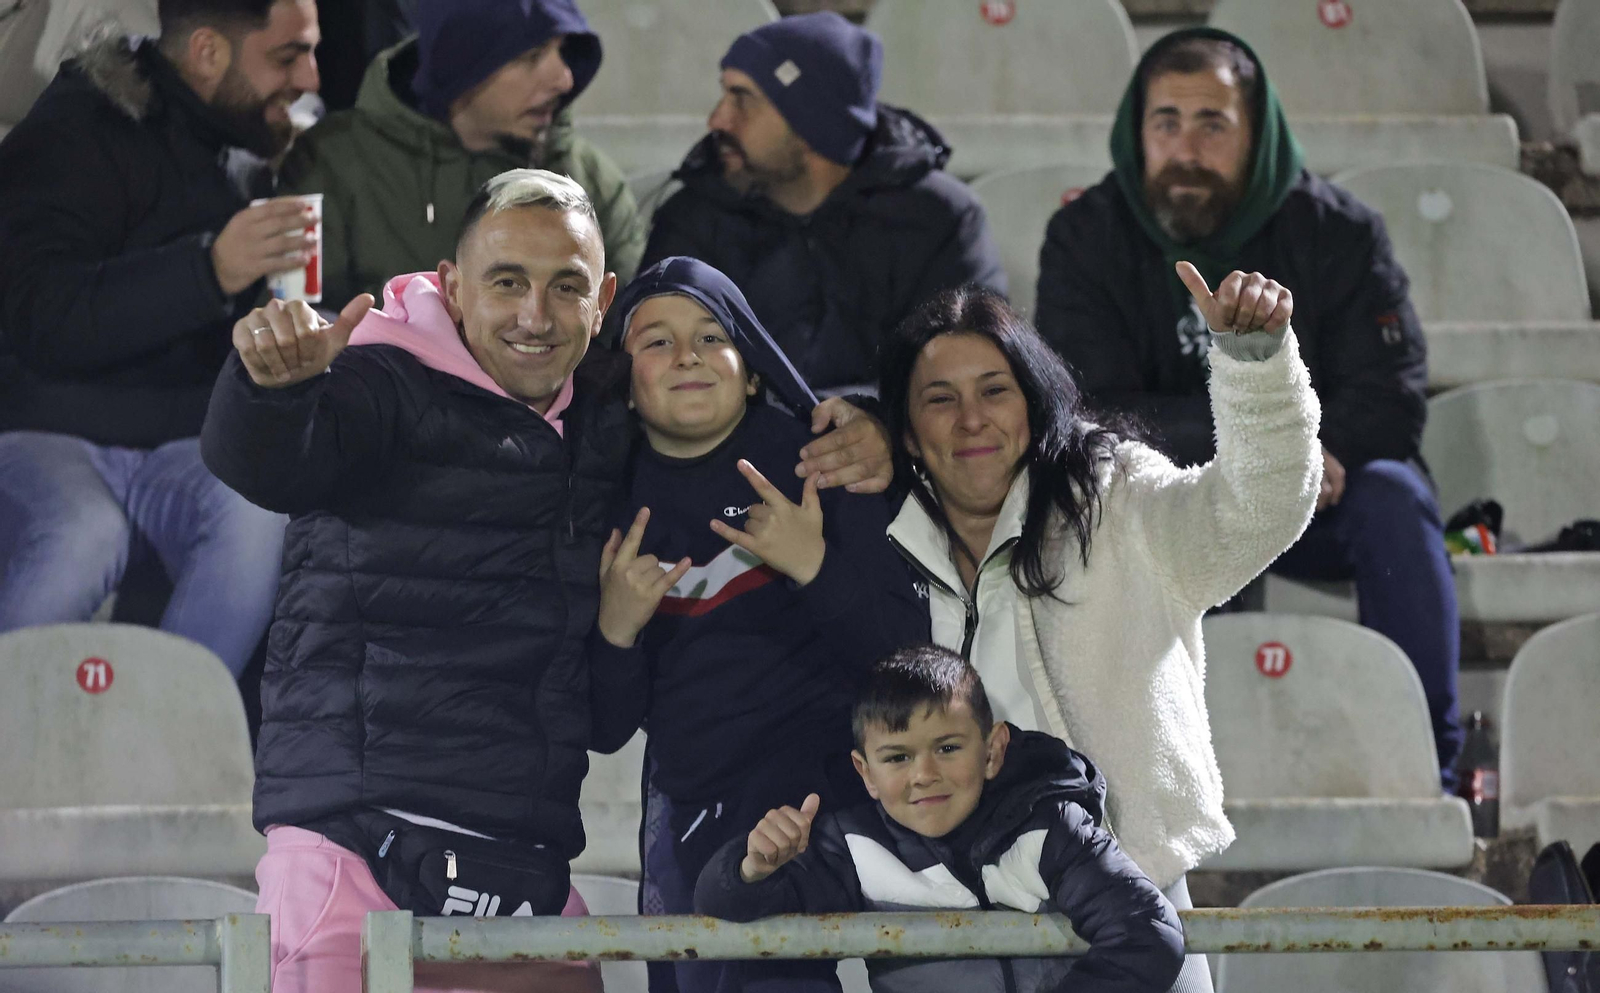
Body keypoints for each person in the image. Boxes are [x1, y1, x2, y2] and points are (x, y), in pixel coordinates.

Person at [200, 169, 894, 993]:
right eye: (506, 283)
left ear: (600, 299)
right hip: (354, 846)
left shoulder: (605, 420)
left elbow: (718, 399)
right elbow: (272, 463)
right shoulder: (376, 379)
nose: (535, 315)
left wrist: (874, 424)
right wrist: (272, 390)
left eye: (564, 286)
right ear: (454, 289)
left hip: (521, 855)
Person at [1033, 27, 1462, 782]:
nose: (1186, 149)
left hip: (1324, 491)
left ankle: (1434, 759)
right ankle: (1157, 772)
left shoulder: (1340, 232)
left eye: (1212, 124)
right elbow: (1089, 405)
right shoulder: (1085, 236)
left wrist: (1322, 456)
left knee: (1397, 498)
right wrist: (1262, 453)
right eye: (1166, 122)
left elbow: (1392, 390)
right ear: (1138, 131)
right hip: (1174, 494)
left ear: (1256, 133)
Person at [879, 271, 1321, 993]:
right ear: (904, 429)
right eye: (940, 398)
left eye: (995, 389)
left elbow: (1259, 506)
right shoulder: (874, 538)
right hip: (939, 928)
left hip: (1126, 906)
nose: (971, 419)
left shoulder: (1114, 500)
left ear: (1033, 399)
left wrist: (1254, 367)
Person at [588, 256, 927, 993]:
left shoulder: (824, 462)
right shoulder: (606, 495)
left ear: (751, 371)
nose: (688, 356)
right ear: (627, 384)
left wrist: (815, 565)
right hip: (697, 805)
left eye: (713, 337)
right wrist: (615, 630)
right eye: (657, 341)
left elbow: (906, 662)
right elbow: (606, 726)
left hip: (848, 798)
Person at [0, 0, 321, 676]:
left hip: (188, 446)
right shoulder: (75, 127)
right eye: (288, 56)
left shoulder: (277, 143)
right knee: (83, 536)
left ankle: (163, 743)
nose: (313, 79)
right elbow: (37, 317)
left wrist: (291, 334)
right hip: (52, 435)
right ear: (208, 52)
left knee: (256, 516)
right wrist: (207, 270)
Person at [696, 644, 1186, 993]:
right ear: (864, 773)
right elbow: (729, 906)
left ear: (993, 751)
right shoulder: (856, 846)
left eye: (948, 748)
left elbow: (1147, 932)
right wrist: (751, 869)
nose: (925, 775)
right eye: (897, 758)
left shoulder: (1050, 825)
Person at [638, 12, 1005, 393]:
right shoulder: (695, 215)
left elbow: (972, 371)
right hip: (734, 444)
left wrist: (875, 423)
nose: (718, 119)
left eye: (743, 99)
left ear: (812, 125)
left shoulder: (937, 219)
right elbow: (650, 362)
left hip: (897, 446)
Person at [277, 0, 647, 309]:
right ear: (460, 67)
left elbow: (631, 331)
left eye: (564, 51)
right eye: (531, 56)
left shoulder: (587, 178)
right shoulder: (335, 162)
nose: (564, 78)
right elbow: (297, 321)